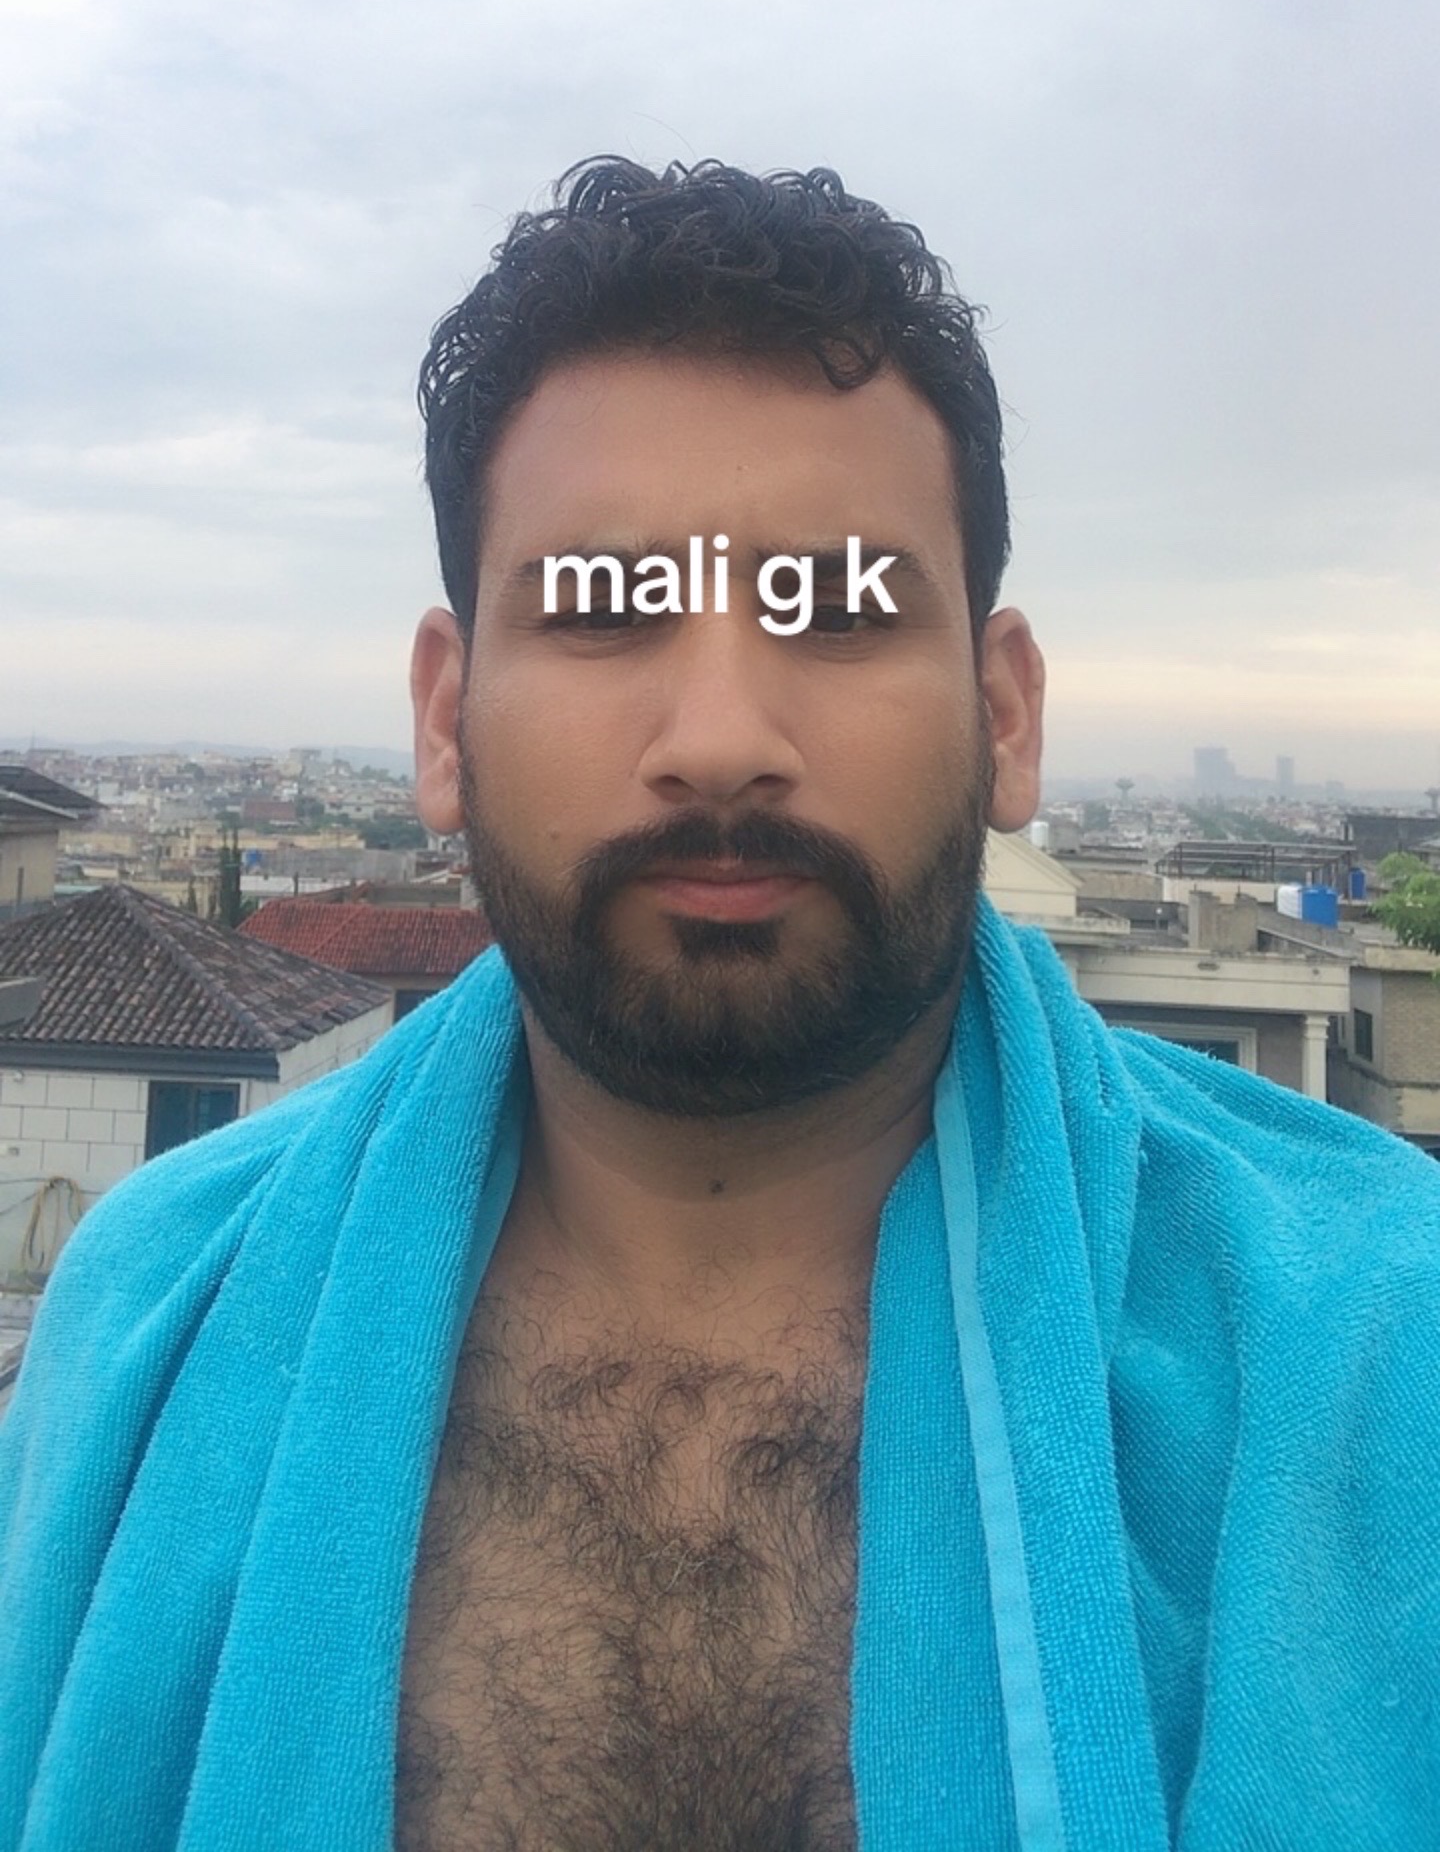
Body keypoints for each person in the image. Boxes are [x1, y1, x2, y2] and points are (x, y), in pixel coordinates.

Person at [3, 159, 1440, 1852]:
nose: (720, 737)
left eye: (837, 608)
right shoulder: (149, 1313)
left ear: (1004, 716)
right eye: (602, 611)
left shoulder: (1375, 1347)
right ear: (447, 722)